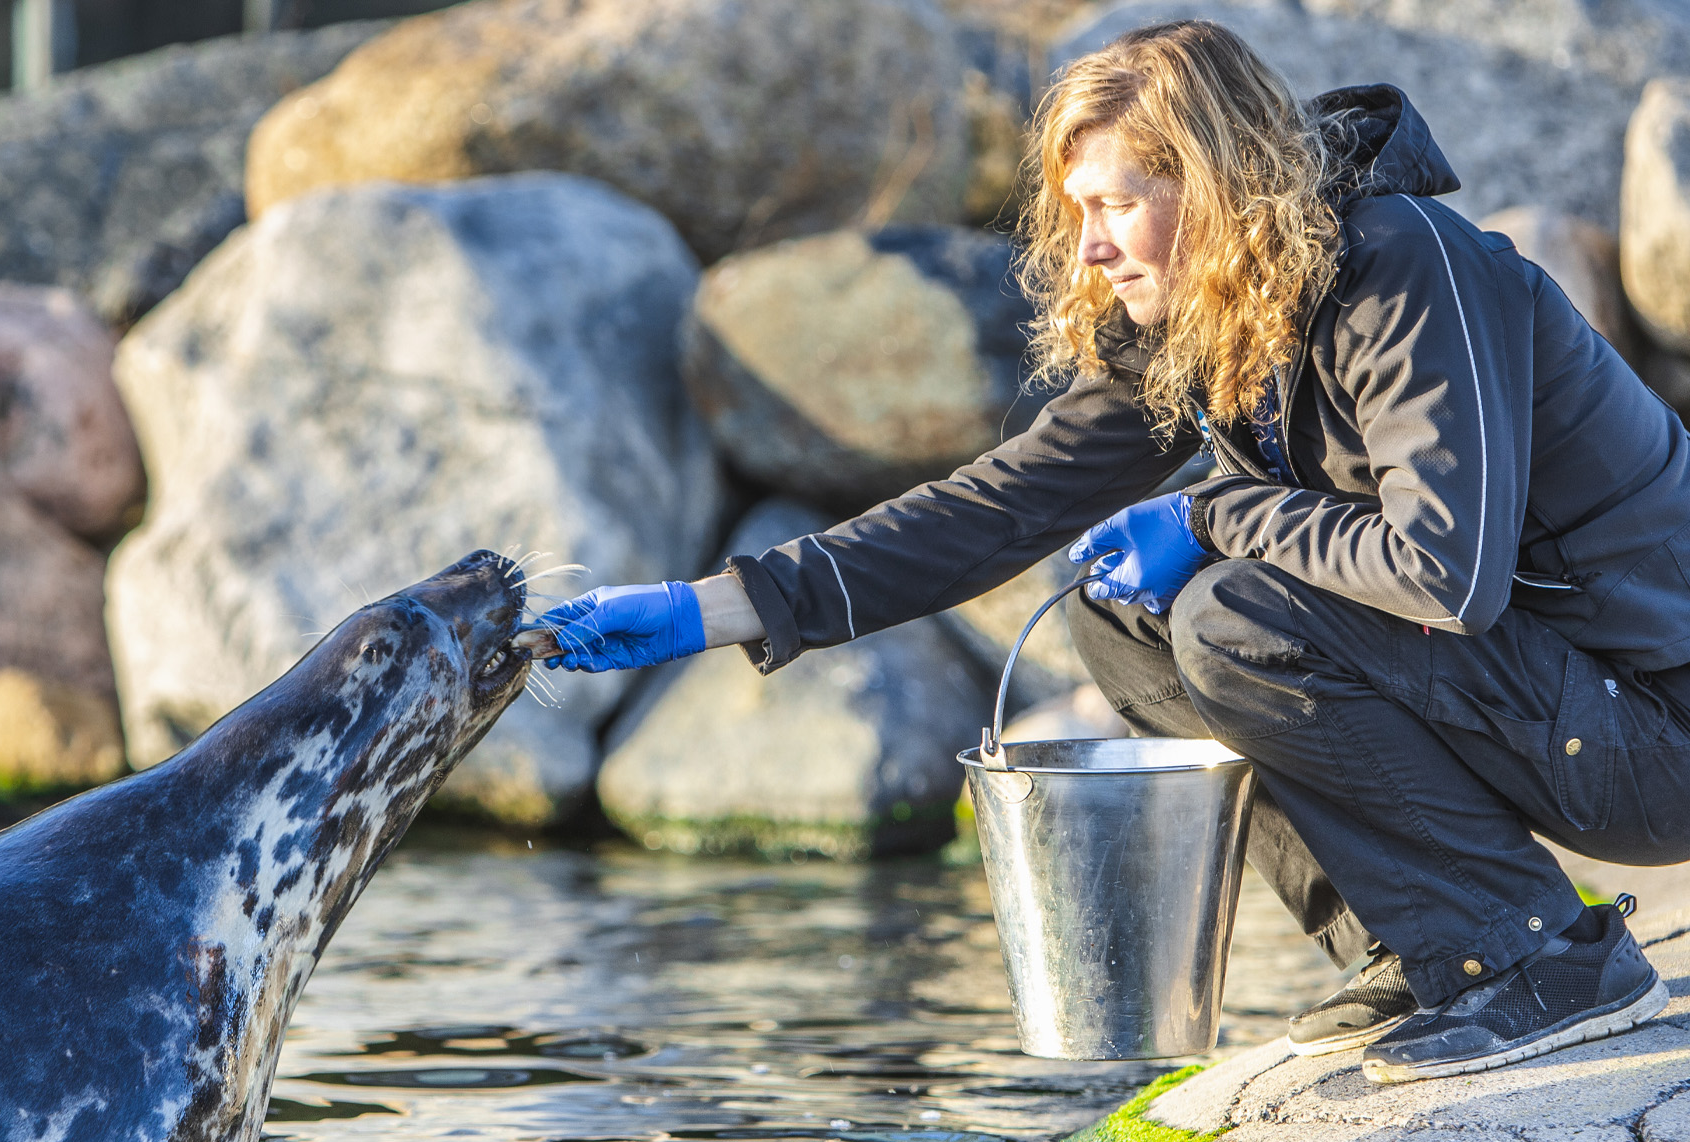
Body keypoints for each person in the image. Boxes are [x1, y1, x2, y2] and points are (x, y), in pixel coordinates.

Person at [538, 19, 1690, 1085]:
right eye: (1076, 211)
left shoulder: (1406, 264)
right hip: (1552, 710)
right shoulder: (1213, 316)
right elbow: (997, 507)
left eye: (1114, 204)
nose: (1087, 247)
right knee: (1116, 617)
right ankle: (1421, 943)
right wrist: (712, 609)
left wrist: (1210, 517)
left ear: (1213, 182)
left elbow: (1446, 573)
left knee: (1234, 612)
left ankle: (1544, 960)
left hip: (1653, 729)